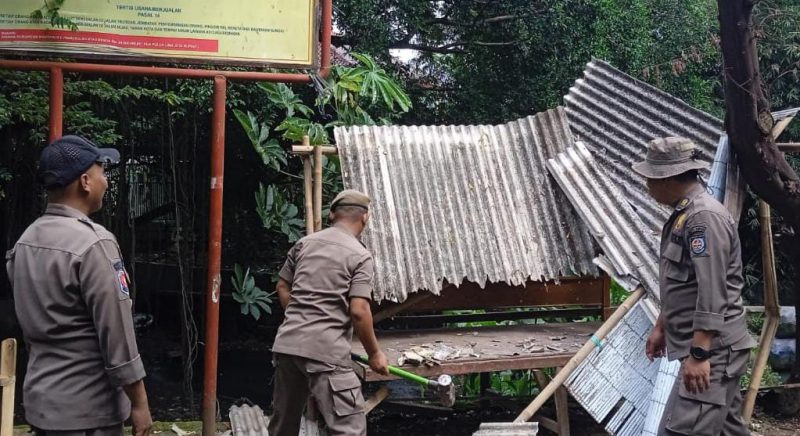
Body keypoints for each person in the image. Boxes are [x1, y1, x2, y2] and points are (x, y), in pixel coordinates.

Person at [5, 135, 152, 436]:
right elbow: (117, 334)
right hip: (88, 413)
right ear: (85, 181)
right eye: (102, 172)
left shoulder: (26, 241)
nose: (106, 181)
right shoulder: (94, 244)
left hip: (41, 403)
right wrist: (139, 402)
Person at [634, 137, 756, 436]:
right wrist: (662, 325)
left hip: (714, 349)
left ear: (669, 178)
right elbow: (683, 283)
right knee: (727, 428)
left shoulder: (703, 219)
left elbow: (712, 291)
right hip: (710, 345)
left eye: (650, 178)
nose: (647, 185)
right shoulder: (684, 215)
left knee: (684, 431)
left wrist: (700, 354)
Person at [268, 189, 389, 436]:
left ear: (332, 214)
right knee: (349, 428)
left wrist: (300, 314)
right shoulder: (360, 255)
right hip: (326, 352)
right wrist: (375, 354)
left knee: (283, 427)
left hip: (288, 346)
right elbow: (359, 310)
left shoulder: (304, 243)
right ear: (365, 218)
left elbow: (282, 285)